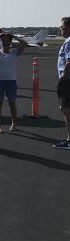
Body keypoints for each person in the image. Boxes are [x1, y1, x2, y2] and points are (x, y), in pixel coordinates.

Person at [0, 32, 28, 133]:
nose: (5, 42)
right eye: (3, 40)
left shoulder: (14, 52)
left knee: (12, 103)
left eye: (7, 40)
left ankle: (14, 124)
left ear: (10, 42)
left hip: (11, 81)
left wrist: (13, 36)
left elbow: (24, 44)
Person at [53, 17, 70, 149]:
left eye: (62, 27)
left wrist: (64, 76)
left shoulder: (69, 42)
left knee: (65, 109)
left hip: (67, 80)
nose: (60, 29)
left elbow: (69, 61)